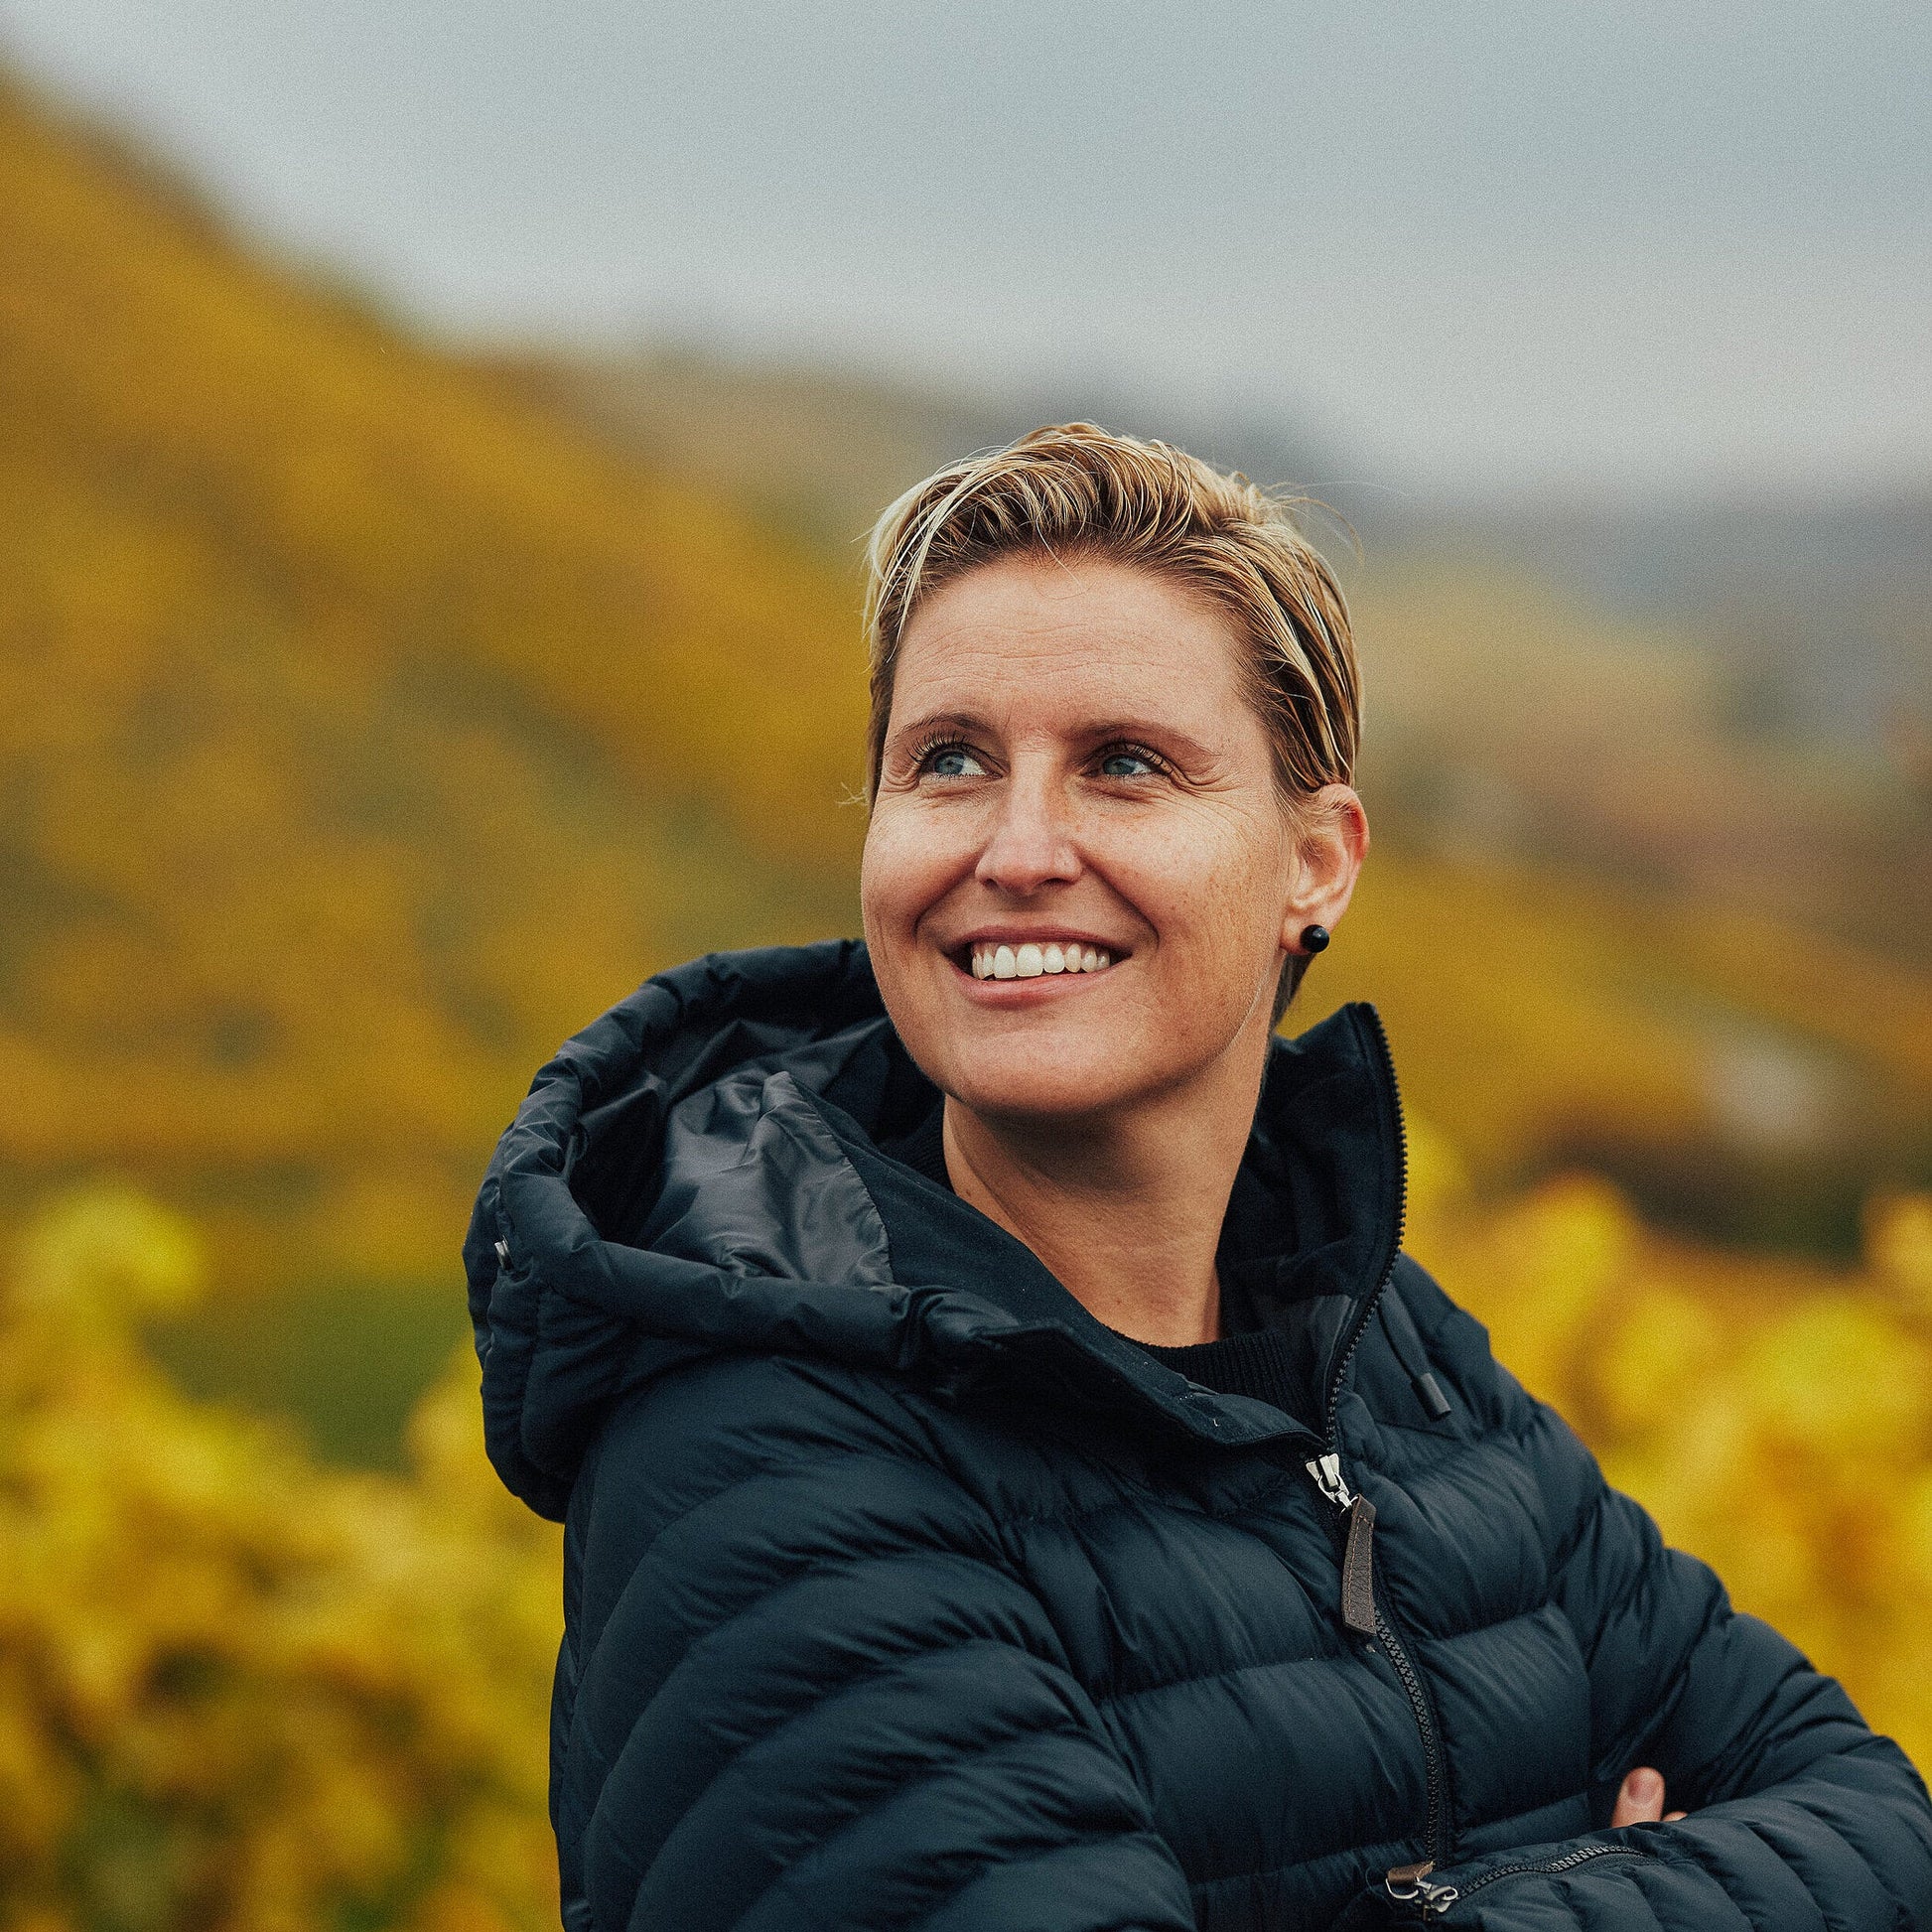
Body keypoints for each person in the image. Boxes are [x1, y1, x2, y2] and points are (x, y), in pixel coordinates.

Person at [466, 425, 1932, 1930]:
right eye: (949, 761)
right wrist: (1596, 1880)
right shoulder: (763, 1452)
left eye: (1122, 764)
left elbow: (1874, 1821)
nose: (1018, 845)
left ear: (1318, 862)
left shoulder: (1392, 1358)